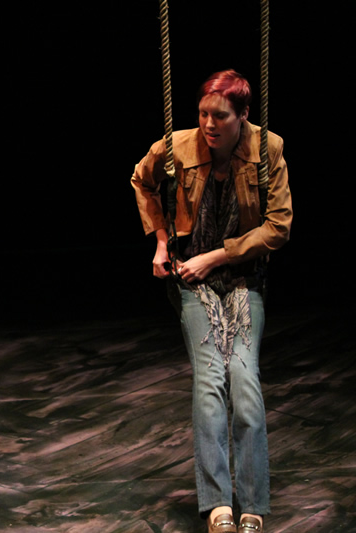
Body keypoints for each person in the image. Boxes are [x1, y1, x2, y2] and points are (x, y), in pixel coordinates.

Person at [131, 70, 291, 533]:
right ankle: (219, 504)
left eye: (220, 115)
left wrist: (217, 256)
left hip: (243, 280)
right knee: (210, 383)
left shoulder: (267, 149)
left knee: (244, 383)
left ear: (242, 116)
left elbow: (279, 227)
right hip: (192, 284)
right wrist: (161, 243)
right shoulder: (177, 146)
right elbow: (141, 181)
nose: (209, 124)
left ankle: (254, 505)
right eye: (203, 113)